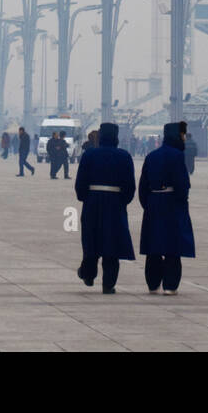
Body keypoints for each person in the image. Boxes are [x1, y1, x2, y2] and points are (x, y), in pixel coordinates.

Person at [74, 121, 136, 294]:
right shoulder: (124, 156)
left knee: (91, 241)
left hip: (93, 201)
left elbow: (80, 183)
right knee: (112, 244)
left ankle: (88, 274)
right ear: (116, 137)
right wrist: (122, 201)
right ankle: (108, 284)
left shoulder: (89, 155)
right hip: (115, 203)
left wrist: (84, 198)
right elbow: (130, 186)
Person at [138, 123, 195, 294]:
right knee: (172, 246)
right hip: (172, 204)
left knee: (153, 245)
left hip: (154, 202)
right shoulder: (177, 156)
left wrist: (148, 204)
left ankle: (153, 283)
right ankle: (170, 285)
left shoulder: (151, 156)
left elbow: (143, 186)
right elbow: (182, 184)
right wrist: (181, 203)